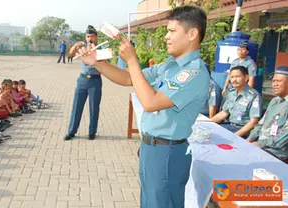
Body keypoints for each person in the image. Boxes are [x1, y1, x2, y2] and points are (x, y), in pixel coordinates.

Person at [77, 6, 208, 208]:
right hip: (152, 148)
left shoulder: (193, 73)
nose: (166, 36)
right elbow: (129, 78)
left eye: (172, 31)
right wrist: (97, 63)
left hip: (168, 153)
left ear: (192, 34)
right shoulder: (169, 65)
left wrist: (131, 59)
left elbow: (150, 103)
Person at [64, 25, 102, 141]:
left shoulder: (100, 49)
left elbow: (105, 62)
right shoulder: (82, 48)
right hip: (82, 80)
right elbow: (70, 55)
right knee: (76, 106)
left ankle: (92, 132)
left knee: (94, 107)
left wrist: (94, 50)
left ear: (96, 37)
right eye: (87, 36)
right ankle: (71, 131)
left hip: (95, 80)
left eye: (92, 36)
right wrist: (75, 45)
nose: (89, 38)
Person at [246, 66, 288, 161]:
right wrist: (249, 139)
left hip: (278, 152)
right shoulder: (274, 101)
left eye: (279, 81)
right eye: (273, 81)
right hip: (262, 145)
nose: (274, 84)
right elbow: (260, 124)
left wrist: (259, 144)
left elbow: (282, 140)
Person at [211, 66, 261, 138]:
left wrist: (234, 136)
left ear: (246, 77)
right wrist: (208, 122)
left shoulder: (253, 96)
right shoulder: (231, 93)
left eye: (237, 76)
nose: (234, 80)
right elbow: (224, 113)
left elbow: (253, 122)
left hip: (244, 131)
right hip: (230, 126)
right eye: (232, 77)